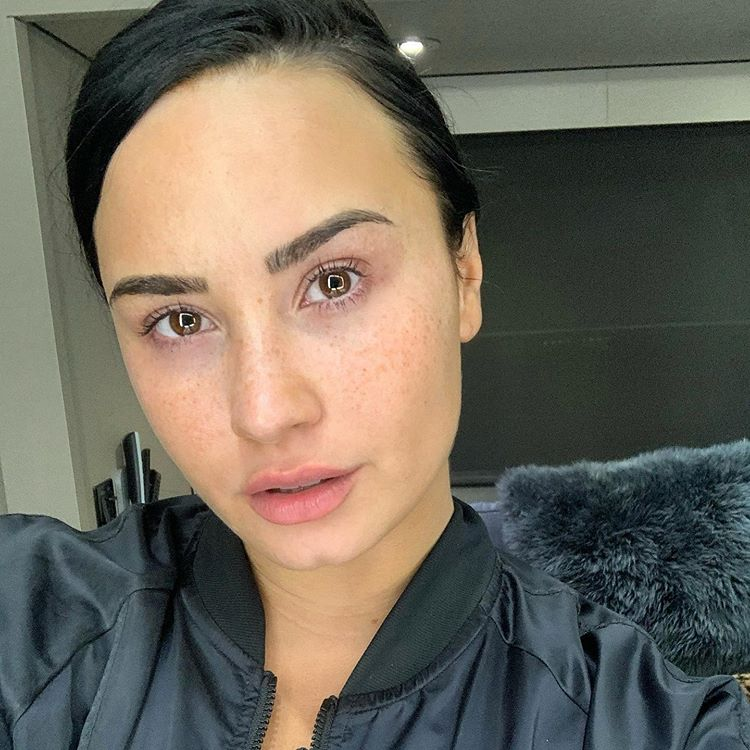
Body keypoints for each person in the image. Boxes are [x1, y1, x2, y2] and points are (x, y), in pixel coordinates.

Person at [1, 1, 748, 748]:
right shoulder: (32, 629)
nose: (265, 410)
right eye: (180, 320)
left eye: (334, 281)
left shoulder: (649, 726)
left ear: (464, 269)